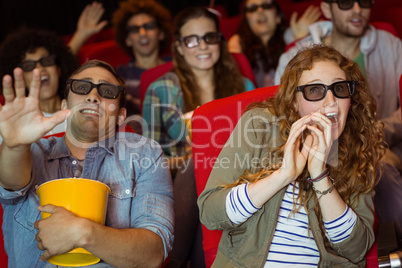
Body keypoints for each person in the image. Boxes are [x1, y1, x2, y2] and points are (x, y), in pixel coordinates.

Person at [198, 45, 385, 266]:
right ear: (294, 102)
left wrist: (319, 176)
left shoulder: (356, 148)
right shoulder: (259, 126)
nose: (331, 101)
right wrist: (284, 175)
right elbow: (211, 213)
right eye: (315, 90)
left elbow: (356, 249)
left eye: (340, 88)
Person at [0, 60, 174, 268]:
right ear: (64, 105)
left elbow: (153, 253)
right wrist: (15, 146)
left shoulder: (145, 153)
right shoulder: (31, 152)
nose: (93, 96)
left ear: (121, 116)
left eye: (107, 91)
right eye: (82, 87)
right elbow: (11, 181)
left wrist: (82, 231)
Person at [274, 0, 402, 246]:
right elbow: (282, 110)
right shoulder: (294, 55)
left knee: (381, 169)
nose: (356, 10)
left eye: (364, 2)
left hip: (384, 145)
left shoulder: (392, 46)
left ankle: (393, 246)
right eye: (345, 3)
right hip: (319, 146)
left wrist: (376, 136)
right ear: (326, 9)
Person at [142, 6, 255, 267]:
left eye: (209, 37)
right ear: (179, 47)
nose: (202, 46)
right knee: (196, 168)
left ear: (219, 41)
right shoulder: (161, 90)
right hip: (183, 187)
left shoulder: (244, 87)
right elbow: (150, 163)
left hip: (240, 185)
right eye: (191, 40)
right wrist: (196, 159)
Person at [0, 27, 78, 139]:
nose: (39, 69)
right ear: (19, 77)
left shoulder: (82, 108)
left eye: (46, 61)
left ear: (59, 69)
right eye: (28, 66)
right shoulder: (13, 123)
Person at [228, 0, 321, 87]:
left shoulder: (291, 36)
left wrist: (299, 40)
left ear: (278, 17)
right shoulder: (239, 45)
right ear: (246, 20)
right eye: (252, 8)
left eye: (266, 6)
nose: (260, 11)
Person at [112, 0, 173, 125]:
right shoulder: (118, 76)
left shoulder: (178, 66)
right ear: (127, 39)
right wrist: (82, 34)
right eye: (134, 29)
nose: (142, 33)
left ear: (161, 33)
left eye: (149, 26)